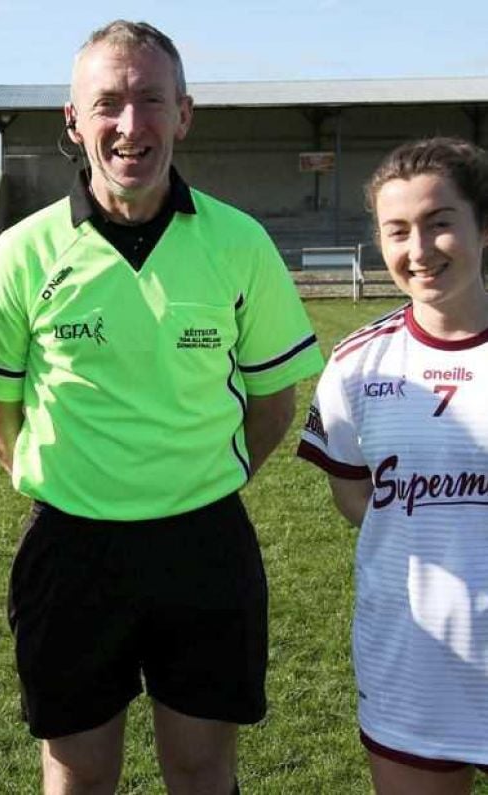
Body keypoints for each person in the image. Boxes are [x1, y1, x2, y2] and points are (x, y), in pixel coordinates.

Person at [0, 20, 324, 794]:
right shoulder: (20, 252)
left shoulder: (240, 242)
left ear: (182, 114)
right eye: (108, 102)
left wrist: (188, 481)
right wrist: (80, 484)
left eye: (151, 100)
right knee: (77, 774)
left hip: (204, 543)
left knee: (199, 770)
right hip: (70, 547)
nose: (130, 124)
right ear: (72, 119)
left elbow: (270, 404)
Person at [297, 137, 488, 795]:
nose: (419, 249)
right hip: (413, 669)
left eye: (440, 223)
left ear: (481, 227)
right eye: (397, 230)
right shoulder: (355, 365)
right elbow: (354, 498)